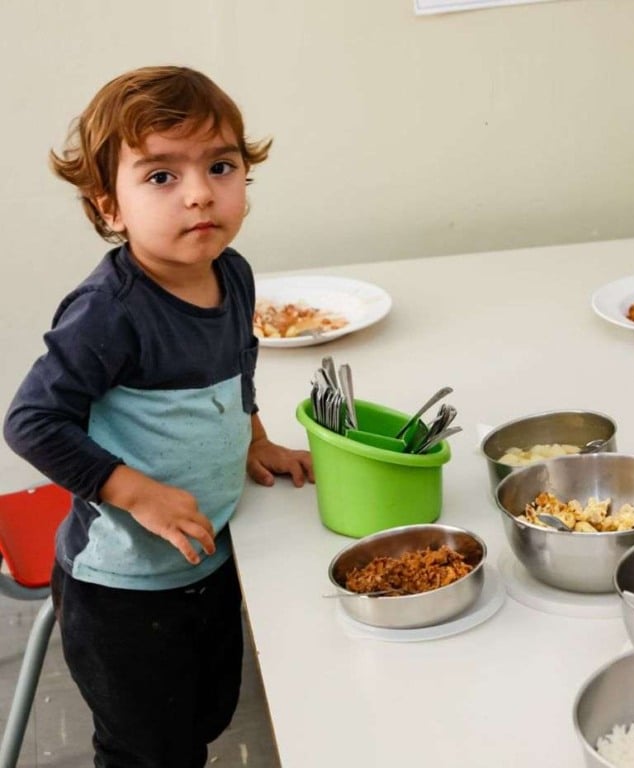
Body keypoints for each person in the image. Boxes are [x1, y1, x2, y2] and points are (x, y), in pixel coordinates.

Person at [3, 66, 313, 767]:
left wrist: (253, 439)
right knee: (147, 751)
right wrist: (136, 494)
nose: (201, 192)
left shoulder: (232, 273)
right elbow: (32, 422)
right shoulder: (109, 313)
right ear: (108, 205)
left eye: (220, 166)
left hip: (208, 553)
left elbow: (238, 362)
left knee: (205, 715)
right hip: (120, 587)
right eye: (161, 176)